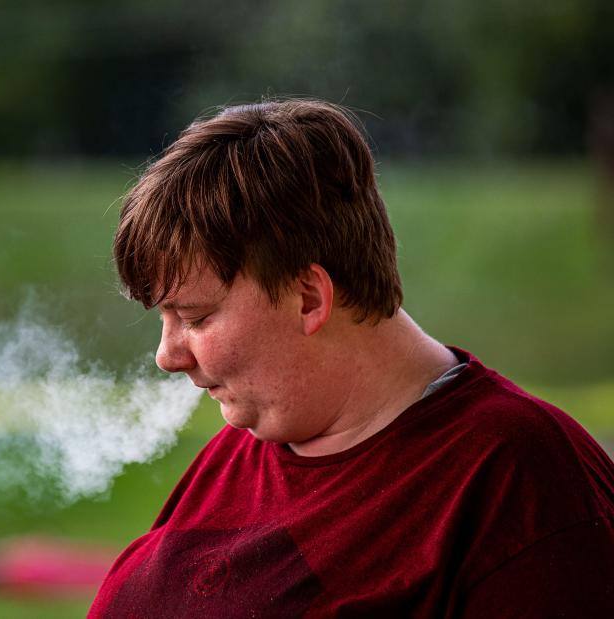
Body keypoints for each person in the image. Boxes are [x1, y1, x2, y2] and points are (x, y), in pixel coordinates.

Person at [88, 99, 614, 618]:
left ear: (309, 298)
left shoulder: (518, 481)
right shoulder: (243, 447)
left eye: (197, 318)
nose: (167, 356)